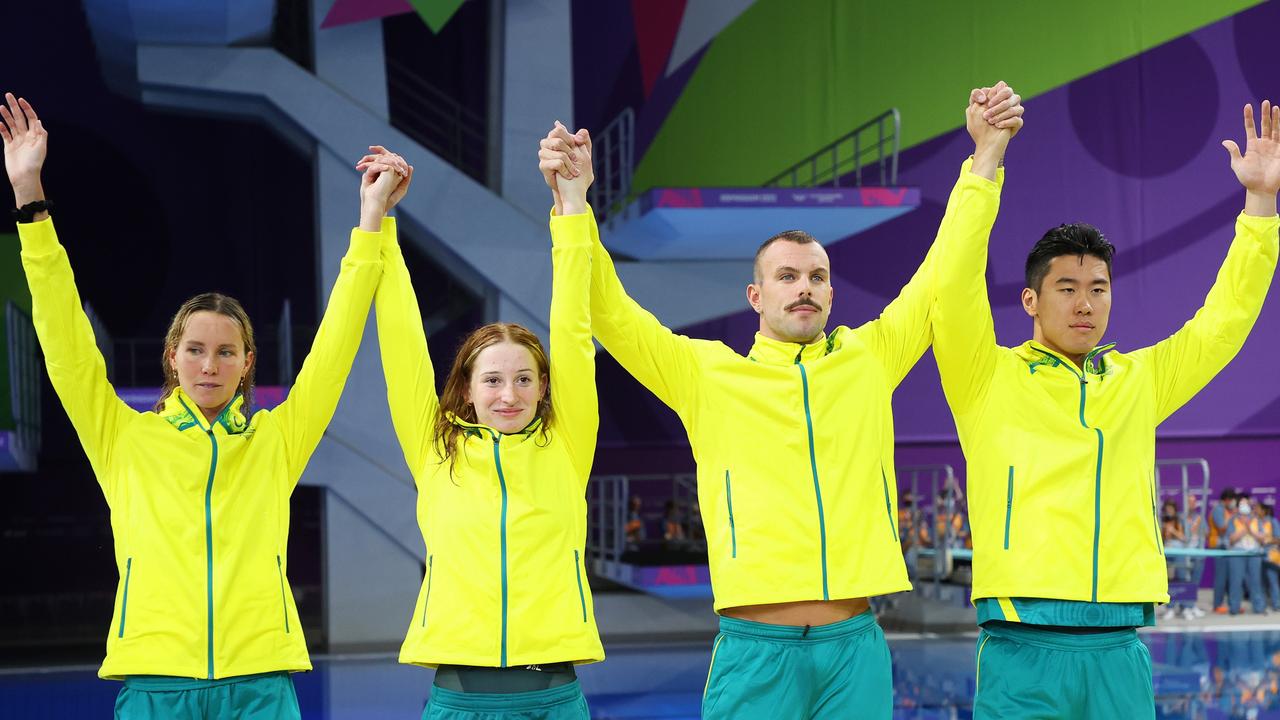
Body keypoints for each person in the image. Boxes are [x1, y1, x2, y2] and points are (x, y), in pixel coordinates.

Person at [540, 83, 1025, 719]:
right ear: (755, 296)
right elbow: (610, 312)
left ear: (830, 293)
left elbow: (942, 270)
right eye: (787, 276)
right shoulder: (705, 374)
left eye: (817, 277)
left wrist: (985, 158)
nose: (805, 288)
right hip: (754, 651)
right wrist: (573, 204)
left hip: (854, 649)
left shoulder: (869, 358)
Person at [1, 92, 403, 718]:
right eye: (195, 349)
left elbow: (334, 352)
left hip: (260, 686)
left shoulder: (275, 442)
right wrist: (30, 194)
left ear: (248, 363)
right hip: (156, 685)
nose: (209, 364)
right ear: (171, 358)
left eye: (225, 351)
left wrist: (370, 223)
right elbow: (65, 344)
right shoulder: (124, 438)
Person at [931, 96, 1280, 719]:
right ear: (1031, 301)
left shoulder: (1138, 379)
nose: (1084, 304)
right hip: (1020, 644)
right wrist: (985, 158)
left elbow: (1223, 325)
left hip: (1119, 646)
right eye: (1066, 289)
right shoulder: (985, 377)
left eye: (1098, 289)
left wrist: (1259, 207)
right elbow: (953, 280)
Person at [368, 138, 602, 718]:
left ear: (544, 387)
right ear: (467, 390)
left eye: (524, 380)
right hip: (458, 702)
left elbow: (571, 328)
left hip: (555, 699)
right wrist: (379, 223)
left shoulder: (567, 444)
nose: (509, 395)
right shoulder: (435, 448)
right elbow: (400, 343)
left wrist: (571, 205)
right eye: (492, 381)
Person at [1228, 495, 1269, 615]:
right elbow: (1231, 539)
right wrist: (1245, 529)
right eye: (1242, 504)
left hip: (1254, 554)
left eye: (1247, 504)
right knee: (1236, 581)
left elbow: (1262, 538)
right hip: (1237, 554)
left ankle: (1259, 607)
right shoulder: (1233, 520)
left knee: (1256, 581)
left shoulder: (1257, 520)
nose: (1244, 506)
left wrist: (1250, 530)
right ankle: (1234, 608)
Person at [1211, 489, 1239, 613]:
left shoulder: (1227, 510)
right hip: (1220, 548)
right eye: (1232, 500)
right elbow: (1222, 528)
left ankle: (1231, 604)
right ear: (1227, 499)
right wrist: (1232, 516)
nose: (1233, 503)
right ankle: (1217, 605)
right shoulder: (1218, 510)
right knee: (1221, 578)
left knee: (1229, 578)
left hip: (1229, 547)